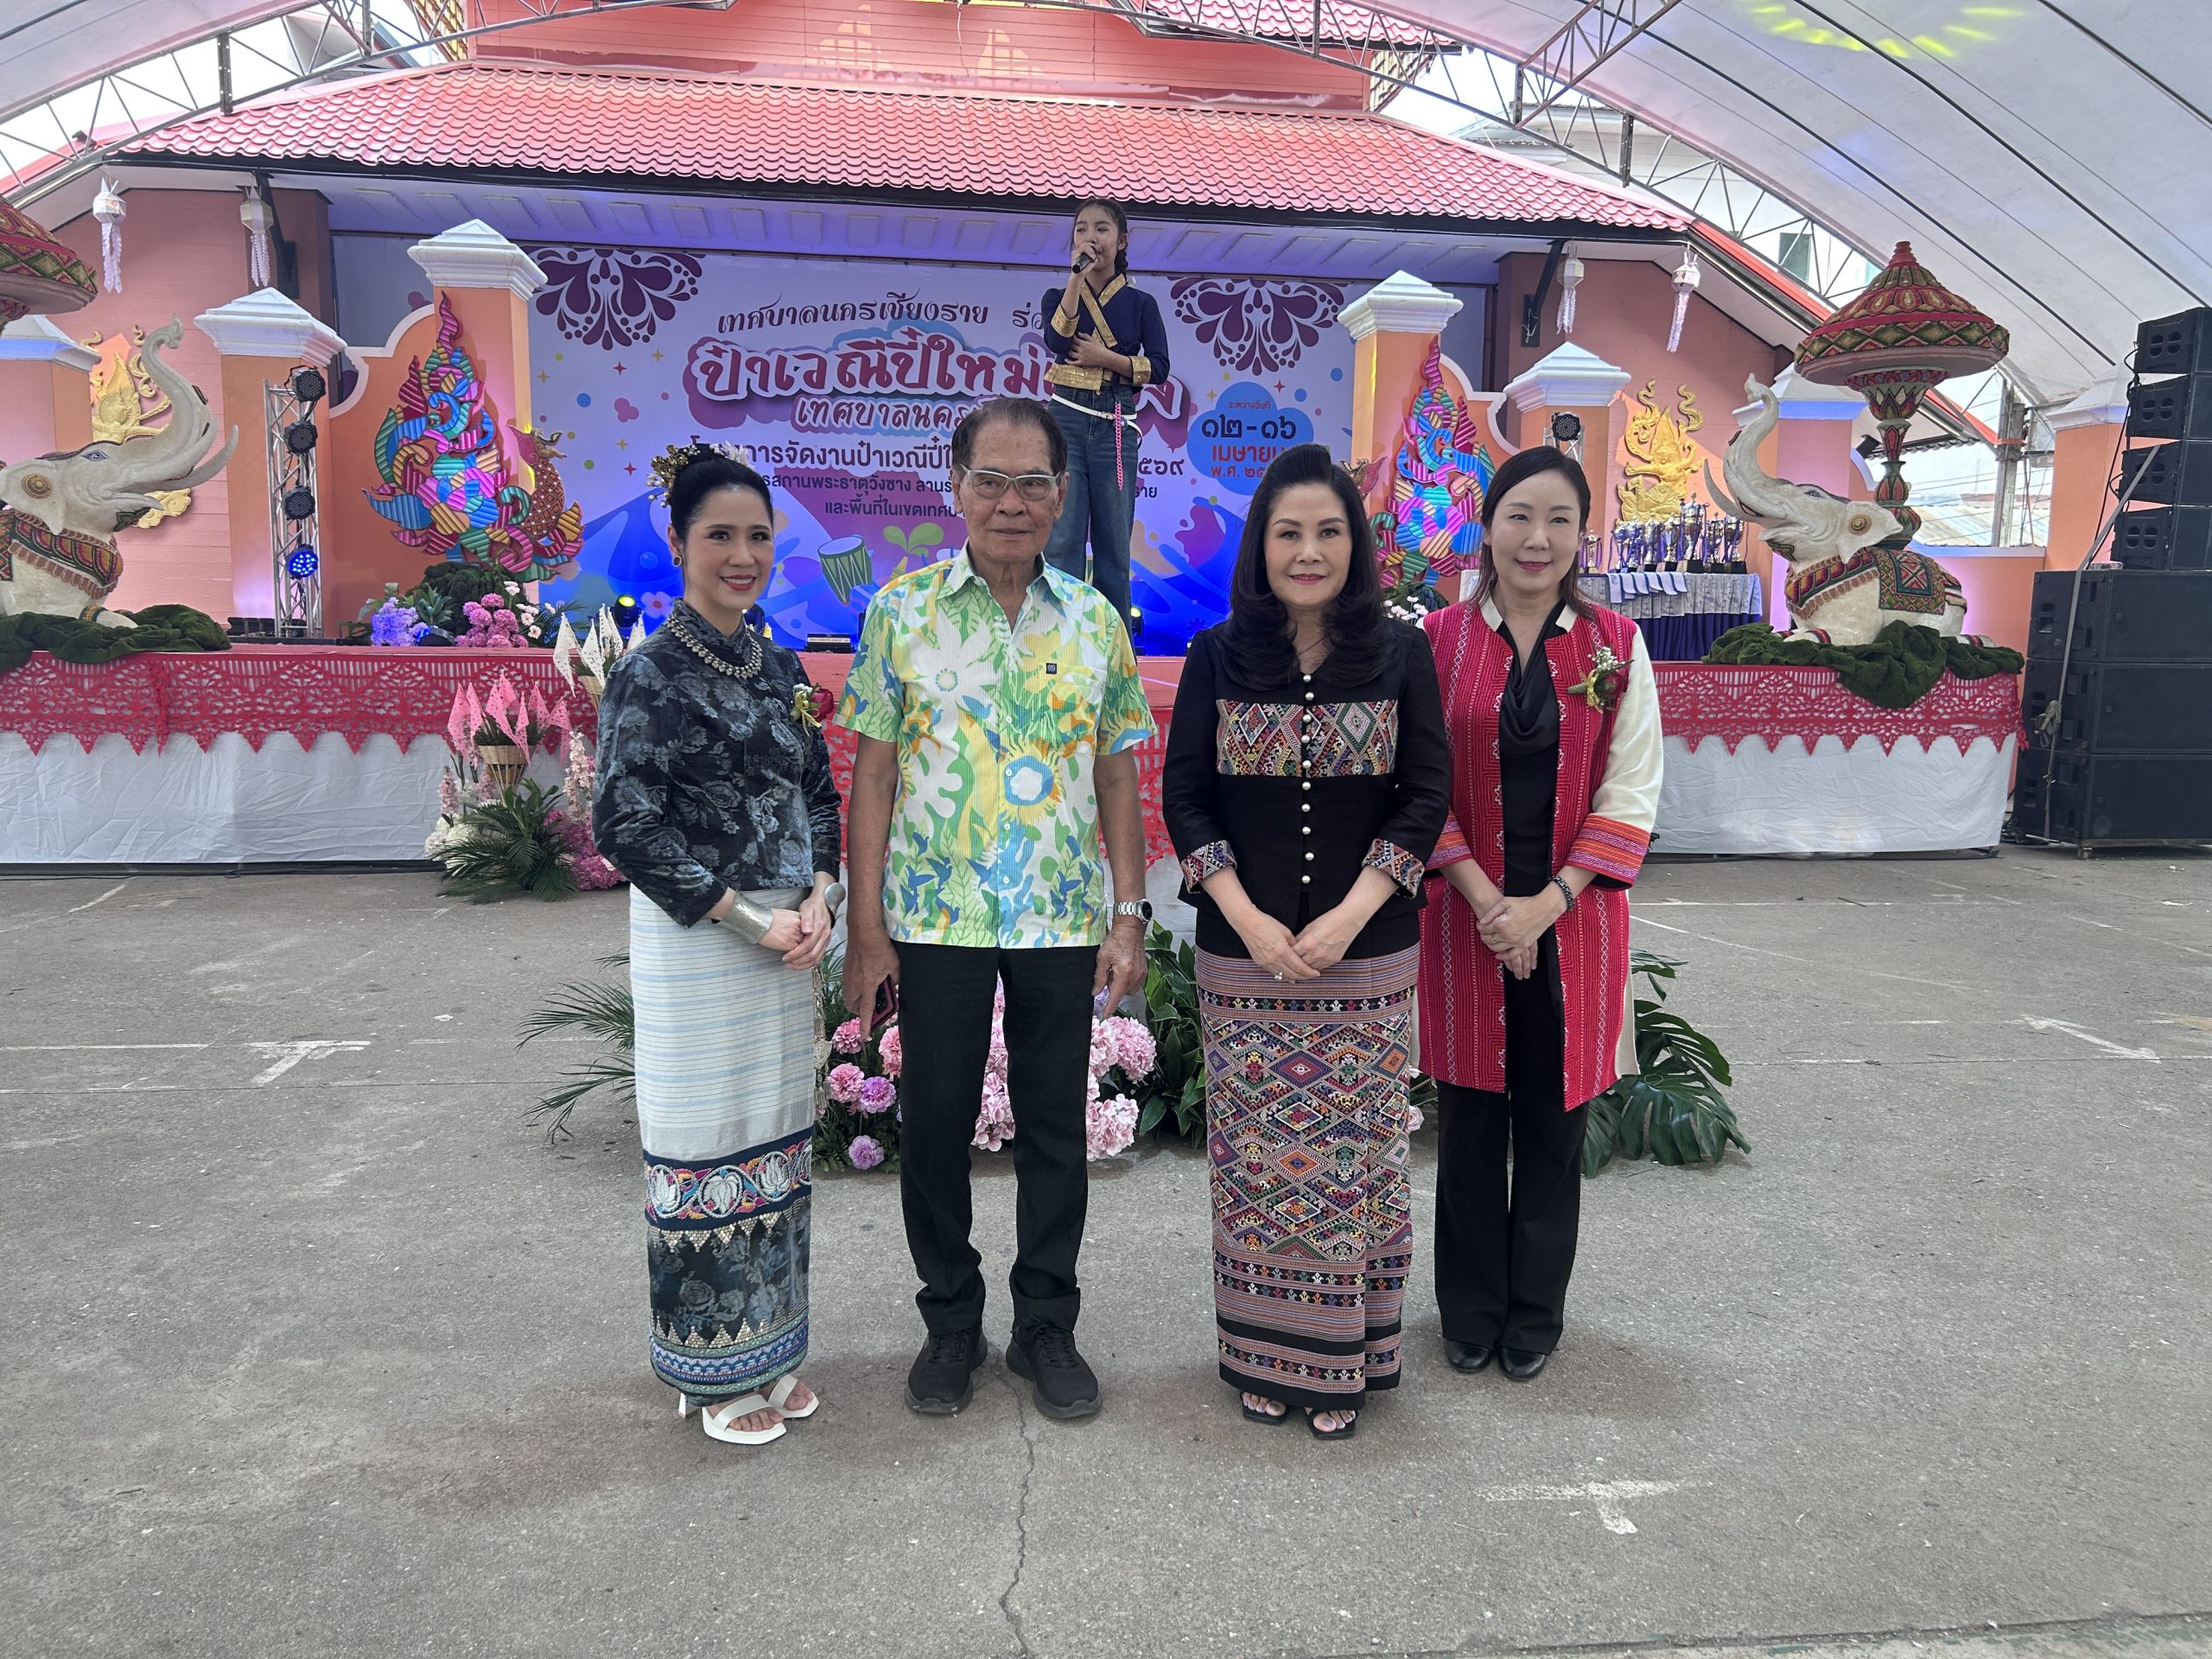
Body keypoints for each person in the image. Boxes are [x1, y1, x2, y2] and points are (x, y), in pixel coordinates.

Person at [838, 397, 1154, 1421]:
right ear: (956, 487)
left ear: (1062, 495)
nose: (1011, 502)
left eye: (1032, 484)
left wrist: (1128, 916)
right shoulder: (902, 614)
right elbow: (873, 778)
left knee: (1056, 1127)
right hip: (936, 917)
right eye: (991, 480)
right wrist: (867, 931)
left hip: (1060, 917)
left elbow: (1116, 778)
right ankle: (950, 1321)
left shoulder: (1095, 622)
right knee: (933, 1126)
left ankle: (1045, 1325)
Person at [1162, 443, 1449, 1441]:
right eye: (1288, 533)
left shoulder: (1401, 654)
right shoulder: (1215, 655)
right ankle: (1265, 1354)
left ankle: (1347, 1357)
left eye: (1328, 531)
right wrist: (1247, 918)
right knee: (1257, 1160)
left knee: (1356, 1154)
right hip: (1242, 962)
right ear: (1261, 546)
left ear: (1355, 545)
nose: (1309, 551)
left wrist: (1349, 914)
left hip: (1367, 957)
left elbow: (1425, 796)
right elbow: (1185, 799)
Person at [592, 442, 843, 1447]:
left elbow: (817, 793)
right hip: (701, 942)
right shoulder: (648, 672)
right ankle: (708, 1371)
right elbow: (625, 824)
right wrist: (746, 917)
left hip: (788, 940)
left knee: (774, 1142)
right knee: (705, 1145)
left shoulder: (778, 665)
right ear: (677, 544)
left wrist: (820, 898)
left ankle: (770, 1350)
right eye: (719, 537)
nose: (743, 556)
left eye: (757, 537)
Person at [1418, 446, 1662, 1383]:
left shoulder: (1616, 646)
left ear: (1581, 536)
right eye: (1519, 515)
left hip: (1575, 922)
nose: (1537, 537)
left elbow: (1630, 791)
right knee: (1471, 1122)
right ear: (1487, 527)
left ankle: (1535, 1314)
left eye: (1560, 519)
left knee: (1554, 1129)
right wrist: (1492, 905)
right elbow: (1418, 786)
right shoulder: (1435, 640)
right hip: (1465, 917)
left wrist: (1545, 906)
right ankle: (1469, 1309)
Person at [1040, 198, 1171, 631]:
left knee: (1114, 544)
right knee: (1062, 539)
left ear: (1122, 240)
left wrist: (1105, 358)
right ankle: (1057, 644)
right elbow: (1058, 342)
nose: (1090, 237)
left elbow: (1159, 367)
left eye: (1101, 229)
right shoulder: (1058, 296)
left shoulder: (1141, 303)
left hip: (1115, 419)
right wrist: (1076, 277)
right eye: (1081, 229)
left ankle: (1115, 655)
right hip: (1066, 418)